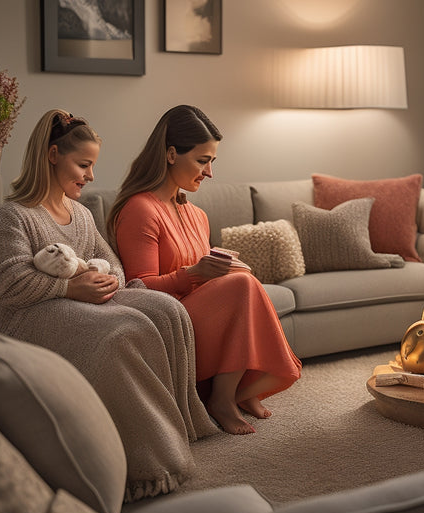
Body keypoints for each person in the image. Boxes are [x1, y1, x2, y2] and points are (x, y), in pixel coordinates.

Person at [0, 109, 218, 502]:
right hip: (26, 318)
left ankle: (183, 427)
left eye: (92, 166)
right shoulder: (12, 216)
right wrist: (69, 288)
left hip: (80, 301)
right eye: (83, 165)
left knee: (168, 311)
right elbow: (8, 284)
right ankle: (145, 464)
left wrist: (104, 277)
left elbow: (111, 262)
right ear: (51, 155)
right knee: (123, 332)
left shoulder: (80, 213)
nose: (91, 176)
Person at [107, 105, 302, 435]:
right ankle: (223, 399)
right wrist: (196, 273)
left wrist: (226, 269)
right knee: (242, 285)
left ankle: (241, 391)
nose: (210, 172)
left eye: (212, 161)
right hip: (169, 321)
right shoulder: (140, 209)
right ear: (171, 154)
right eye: (202, 160)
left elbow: (204, 280)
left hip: (198, 314)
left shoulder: (197, 215)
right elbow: (137, 289)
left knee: (243, 278)